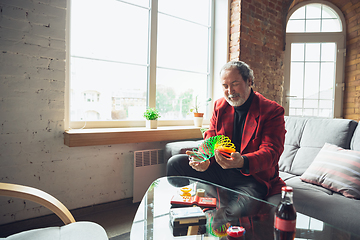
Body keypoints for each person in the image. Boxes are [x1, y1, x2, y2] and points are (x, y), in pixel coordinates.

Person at [167, 60, 286, 203]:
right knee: (175, 164)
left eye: (235, 84)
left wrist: (242, 162)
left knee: (236, 210)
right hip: (220, 169)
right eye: (225, 86)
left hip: (251, 176)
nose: (230, 91)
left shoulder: (271, 111)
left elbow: (271, 152)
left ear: (249, 81)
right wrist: (204, 159)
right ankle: (185, 205)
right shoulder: (220, 106)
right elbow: (210, 137)